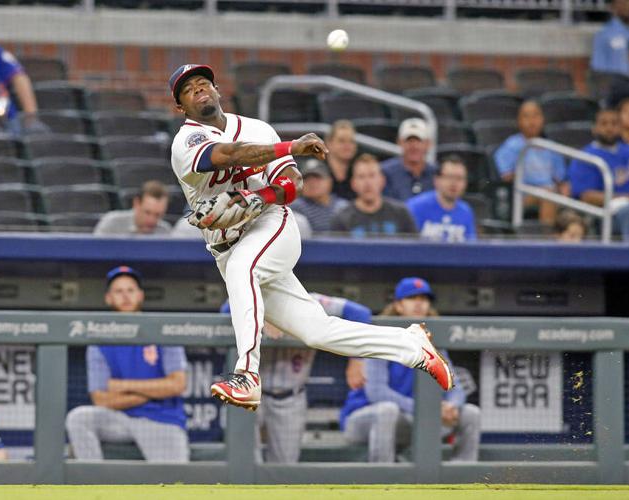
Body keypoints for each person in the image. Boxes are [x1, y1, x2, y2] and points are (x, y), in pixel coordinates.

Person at [168, 63, 452, 412]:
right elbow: (228, 155)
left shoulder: (257, 128)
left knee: (245, 270)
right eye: (188, 90)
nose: (199, 89)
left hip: (271, 226)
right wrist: (292, 146)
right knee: (318, 331)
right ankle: (409, 345)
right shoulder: (186, 140)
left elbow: (293, 183)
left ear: (217, 90)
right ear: (181, 107)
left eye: (203, 83)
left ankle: (246, 375)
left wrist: (261, 197)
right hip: (225, 247)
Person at [341, 277, 481, 463]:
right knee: (387, 410)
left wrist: (452, 406)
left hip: (411, 418)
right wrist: (427, 409)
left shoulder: (434, 342)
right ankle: (382, 478)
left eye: (423, 298)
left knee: (470, 412)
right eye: (412, 298)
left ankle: (463, 475)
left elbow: (454, 387)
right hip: (363, 419)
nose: (419, 303)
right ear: (398, 305)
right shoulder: (381, 336)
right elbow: (376, 393)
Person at [221, 292, 371, 463]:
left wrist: (357, 359)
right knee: (244, 461)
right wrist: (261, 314)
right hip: (250, 392)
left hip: (291, 398)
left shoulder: (310, 302)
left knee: (284, 467)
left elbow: (361, 314)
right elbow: (226, 309)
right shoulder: (251, 295)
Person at [65, 265, 189, 462]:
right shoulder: (99, 341)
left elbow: (177, 384)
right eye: (119, 291)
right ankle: (93, 486)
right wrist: (153, 392)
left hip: (161, 419)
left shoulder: (162, 329)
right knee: (79, 418)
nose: (125, 296)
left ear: (140, 295)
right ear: (108, 298)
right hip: (119, 419)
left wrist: (122, 386)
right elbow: (101, 399)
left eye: (130, 290)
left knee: (175, 486)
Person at [494, 100, 568, 225]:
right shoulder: (512, 145)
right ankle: (547, 240)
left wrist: (564, 193)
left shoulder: (551, 148)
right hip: (521, 195)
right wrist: (537, 188)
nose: (531, 121)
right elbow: (506, 176)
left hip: (550, 192)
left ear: (542, 119)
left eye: (535, 115)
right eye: (526, 116)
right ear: (519, 121)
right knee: (547, 195)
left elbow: (561, 180)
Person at [568, 108, 629, 241]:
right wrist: (623, 198)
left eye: (614, 124)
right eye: (604, 123)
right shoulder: (586, 156)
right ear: (595, 128)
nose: (609, 128)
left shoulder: (627, 151)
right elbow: (586, 196)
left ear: (620, 127)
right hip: (603, 215)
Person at [330, 153, 417, 238]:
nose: (367, 183)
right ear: (353, 184)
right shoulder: (342, 218)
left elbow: (415, 249)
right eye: (361, 177)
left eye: (372, 176)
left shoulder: (401, 213)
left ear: (382, 181)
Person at [406, 154, 476, 242]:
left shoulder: (466, 211)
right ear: (437, 180)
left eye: (459, 178)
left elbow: (471, 249)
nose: (454, 183)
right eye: (449, 177)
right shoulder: (415, 207)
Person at [381, 118, 438, 201]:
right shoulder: (385, 172)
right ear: (399, 142)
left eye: (419, 141)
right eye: (409, 141)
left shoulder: (437, 173)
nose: (414, 146)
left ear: (428, 144)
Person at [290, 158, 349, 233]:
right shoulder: (295, 207)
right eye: (306, 179)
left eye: (317, 178)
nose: (312, 183)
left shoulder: (343, 207)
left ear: (329, 181)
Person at [94, 180, 172, 236]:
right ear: (136, 203)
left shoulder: (165, 232)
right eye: (147, 212)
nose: (151, 220)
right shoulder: (112, 223)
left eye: (157, 215)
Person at [590, 0, 629, 77]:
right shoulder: (605, 34)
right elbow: (598, 68)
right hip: (618, 83)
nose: (627, 6)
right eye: (623, 3)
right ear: (613, 7)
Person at [324, 120, 358, 200]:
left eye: (351, 141)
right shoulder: (317, 170)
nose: (347, 145)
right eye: (341, 141)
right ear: (329, 143)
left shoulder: (359, 170)